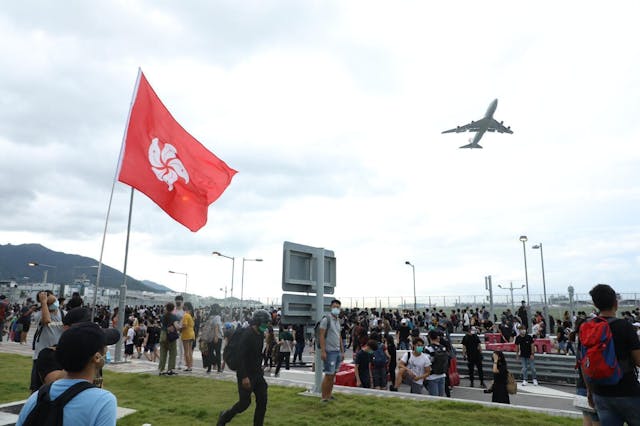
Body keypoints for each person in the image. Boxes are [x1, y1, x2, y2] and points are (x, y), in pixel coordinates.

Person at [17, 322, 120, 426]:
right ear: (97, 358)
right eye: (105, 347)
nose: (106, 351)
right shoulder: (103, 401)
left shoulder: (37, 397)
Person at [582, 284, 640, 425]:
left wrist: (590, 391)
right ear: (616, 303)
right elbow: (639, 360)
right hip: (627, 390)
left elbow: (584, 363)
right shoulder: (625, 326)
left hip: (601, 393)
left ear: (595, 304)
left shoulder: (587, 328)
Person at [218, 309, 271, 426]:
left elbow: (257, 353)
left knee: (263, 400)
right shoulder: (247, 335)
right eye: (265, 323)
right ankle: (224, 417)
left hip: (257, 373)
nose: (266, 325)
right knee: (244, 404)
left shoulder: (260, 334)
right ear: (258, 322)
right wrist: (244, 377)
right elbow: (239, 357)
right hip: (246, 374)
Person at [30, 291, 65, 393]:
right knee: (37, 388)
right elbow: (46, 320)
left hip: (59, 356)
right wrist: (44, 303)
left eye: (55, 300)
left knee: (56, 387)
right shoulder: (39, 314)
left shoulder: (63, 314)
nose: (56, 303)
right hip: (41, 356)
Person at [574, 317, 600, 426]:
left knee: (587, 419)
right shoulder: (592, 346)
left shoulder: (580, 346)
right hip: (592, 387)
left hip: (581, 387)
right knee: (597, 421)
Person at [319, 299, 345, 402]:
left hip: (337, 351)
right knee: (328, 375)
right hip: (329, 351)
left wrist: (342, 351)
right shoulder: (326, 319)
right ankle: (324, 397)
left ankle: (329, 395)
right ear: (331, 307)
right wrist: (323, 351)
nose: (336, 309)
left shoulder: (338, 321)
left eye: (338, 307)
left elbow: (339, 336)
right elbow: (321, 335)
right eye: (334, 307)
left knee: (333, 375)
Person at [424, 330, 447, 396]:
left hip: (432, 376)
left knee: (433, 398)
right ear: (437, 337)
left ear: (429, 337)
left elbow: (426, 363)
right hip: (442, 374)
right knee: (440, 397)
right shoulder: (443, 348)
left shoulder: (428, 348)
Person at [159, 302, 179, 376]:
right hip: (171, 337)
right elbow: (177, 326)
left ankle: (161, 370)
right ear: (173, 309)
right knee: (172, 353)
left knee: (163, 354)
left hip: (163, 336)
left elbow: (161, 325)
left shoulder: (163, 317)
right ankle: (170, 369)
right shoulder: (174, 317)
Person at [181, 302, 195, 372]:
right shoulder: (191, 315)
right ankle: (190, 364)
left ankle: (188, 366)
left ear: (186, 307)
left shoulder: (186, 315)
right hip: (192, 334)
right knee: (189, 351)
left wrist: (179, 328)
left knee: (186, 351)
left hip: (186, 334)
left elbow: (184, 325)